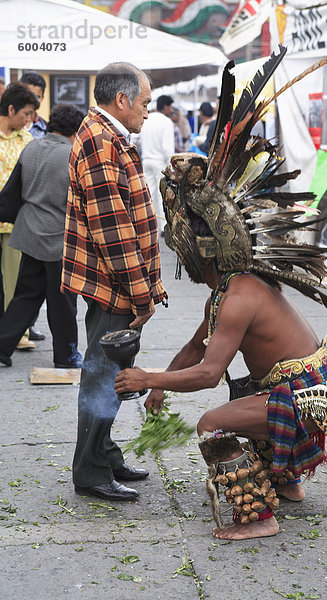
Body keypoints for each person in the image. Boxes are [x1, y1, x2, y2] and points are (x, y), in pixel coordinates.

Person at [114, 151, 327, 538]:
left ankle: (259, 518)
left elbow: (209, 374)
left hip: (306, 400)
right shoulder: (229, 290)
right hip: (316, 393)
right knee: (250, 393)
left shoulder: (237, 297)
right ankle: (287, 482)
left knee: (213, 425)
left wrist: (145, 377)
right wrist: (159, 383)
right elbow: (196, 348)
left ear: (199, 253)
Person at [61, 62, 167, 502]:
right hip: (115, 286)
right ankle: (90, 471)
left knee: (109, 374)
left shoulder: (105, 135)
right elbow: (114, 229)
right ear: (121, 100)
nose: (147, 112)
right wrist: (143, 295)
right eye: (144, 103)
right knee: (104, 380)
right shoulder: (102, 141)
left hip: (113, 284)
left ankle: (103, 453)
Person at [0, 104, 85, 369]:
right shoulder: (72, 156)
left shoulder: (31, 147)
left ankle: (2, 345)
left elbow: (12, 192)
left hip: (29, 234)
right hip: (58, 239)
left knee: (26, 295)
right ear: (75, 131)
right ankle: (66, 355)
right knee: (63, 302)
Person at [0, 82, 39, 349]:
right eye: (25, 114)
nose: (29, 120)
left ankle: (16, 335)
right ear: (11, 109)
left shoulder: (28, 140)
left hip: (14, 221)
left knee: (15, 280)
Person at [19, 71, 49, 342]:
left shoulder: (44, 129)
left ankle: (28, 325)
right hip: (18, 207)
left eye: (37, 96)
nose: (33, 101)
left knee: (29, 278)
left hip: (35, 208)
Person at [140, 94, 175, 234]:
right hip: (160, 162)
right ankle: (164, 226)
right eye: (170, 106)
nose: (171, 109)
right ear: (165, 106)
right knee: (162, 195)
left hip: (146, 159)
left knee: (148, 194)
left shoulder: (148, 118)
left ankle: (149, 224)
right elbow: (168, 148)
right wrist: (171, 167)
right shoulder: (166, 122)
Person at [19, 71, 47, 139]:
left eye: (37, 97)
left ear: (42, 98)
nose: (33, 100)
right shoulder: (8, 125)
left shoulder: (46, 129)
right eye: (29, 95)